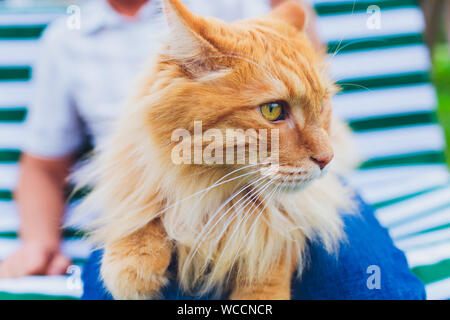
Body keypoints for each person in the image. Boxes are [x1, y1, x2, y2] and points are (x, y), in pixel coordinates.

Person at [0, 0, 426, 299]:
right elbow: (42, 166)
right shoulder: (66, 39)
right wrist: (38, 241)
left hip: (282, 185)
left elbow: (305, 68)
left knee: (372, 288)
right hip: (153, 188)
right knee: (127, 288)